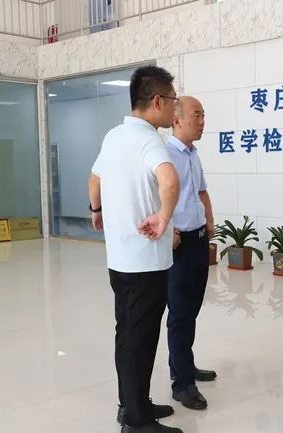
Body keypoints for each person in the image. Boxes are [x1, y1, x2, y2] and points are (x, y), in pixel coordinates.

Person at [88, 65, 182, 433]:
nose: (174, 108)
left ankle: (131, 404)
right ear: (157, 100)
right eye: (172, 100)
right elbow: (169, 182)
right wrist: (163, 217)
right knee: (140, 340)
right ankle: (137, 421)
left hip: (119, 260)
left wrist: (96, 211)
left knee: (126, 334)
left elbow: (94, 179)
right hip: (146, 261)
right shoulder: (150, 140)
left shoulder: (113, 136)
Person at [165, 96, 217, 411]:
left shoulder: (192, 153)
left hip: (198, 240)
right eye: (196, 115)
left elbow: (201, 191)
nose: (202, 121)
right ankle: (181, 383)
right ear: (176, 119)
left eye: (203, 115)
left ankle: (186, 364)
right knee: (180, 314)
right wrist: (168, 229)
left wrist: (209, 222)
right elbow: (153, 197)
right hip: (178, 245)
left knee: (191, 310)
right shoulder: (164, 155)